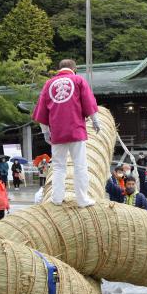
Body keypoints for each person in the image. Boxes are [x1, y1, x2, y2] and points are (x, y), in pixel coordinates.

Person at [32, 58, 100, 208]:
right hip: (76, 129)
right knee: (80, 165)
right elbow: (88, 102)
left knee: (58, 166)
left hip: (57, 132)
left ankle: (56, 198)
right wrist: (95, 120)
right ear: (74, 69)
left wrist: (45, 132)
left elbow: (42, 110)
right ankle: (82, 199)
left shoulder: (48, 84)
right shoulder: (78, 80)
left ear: (59, 69)